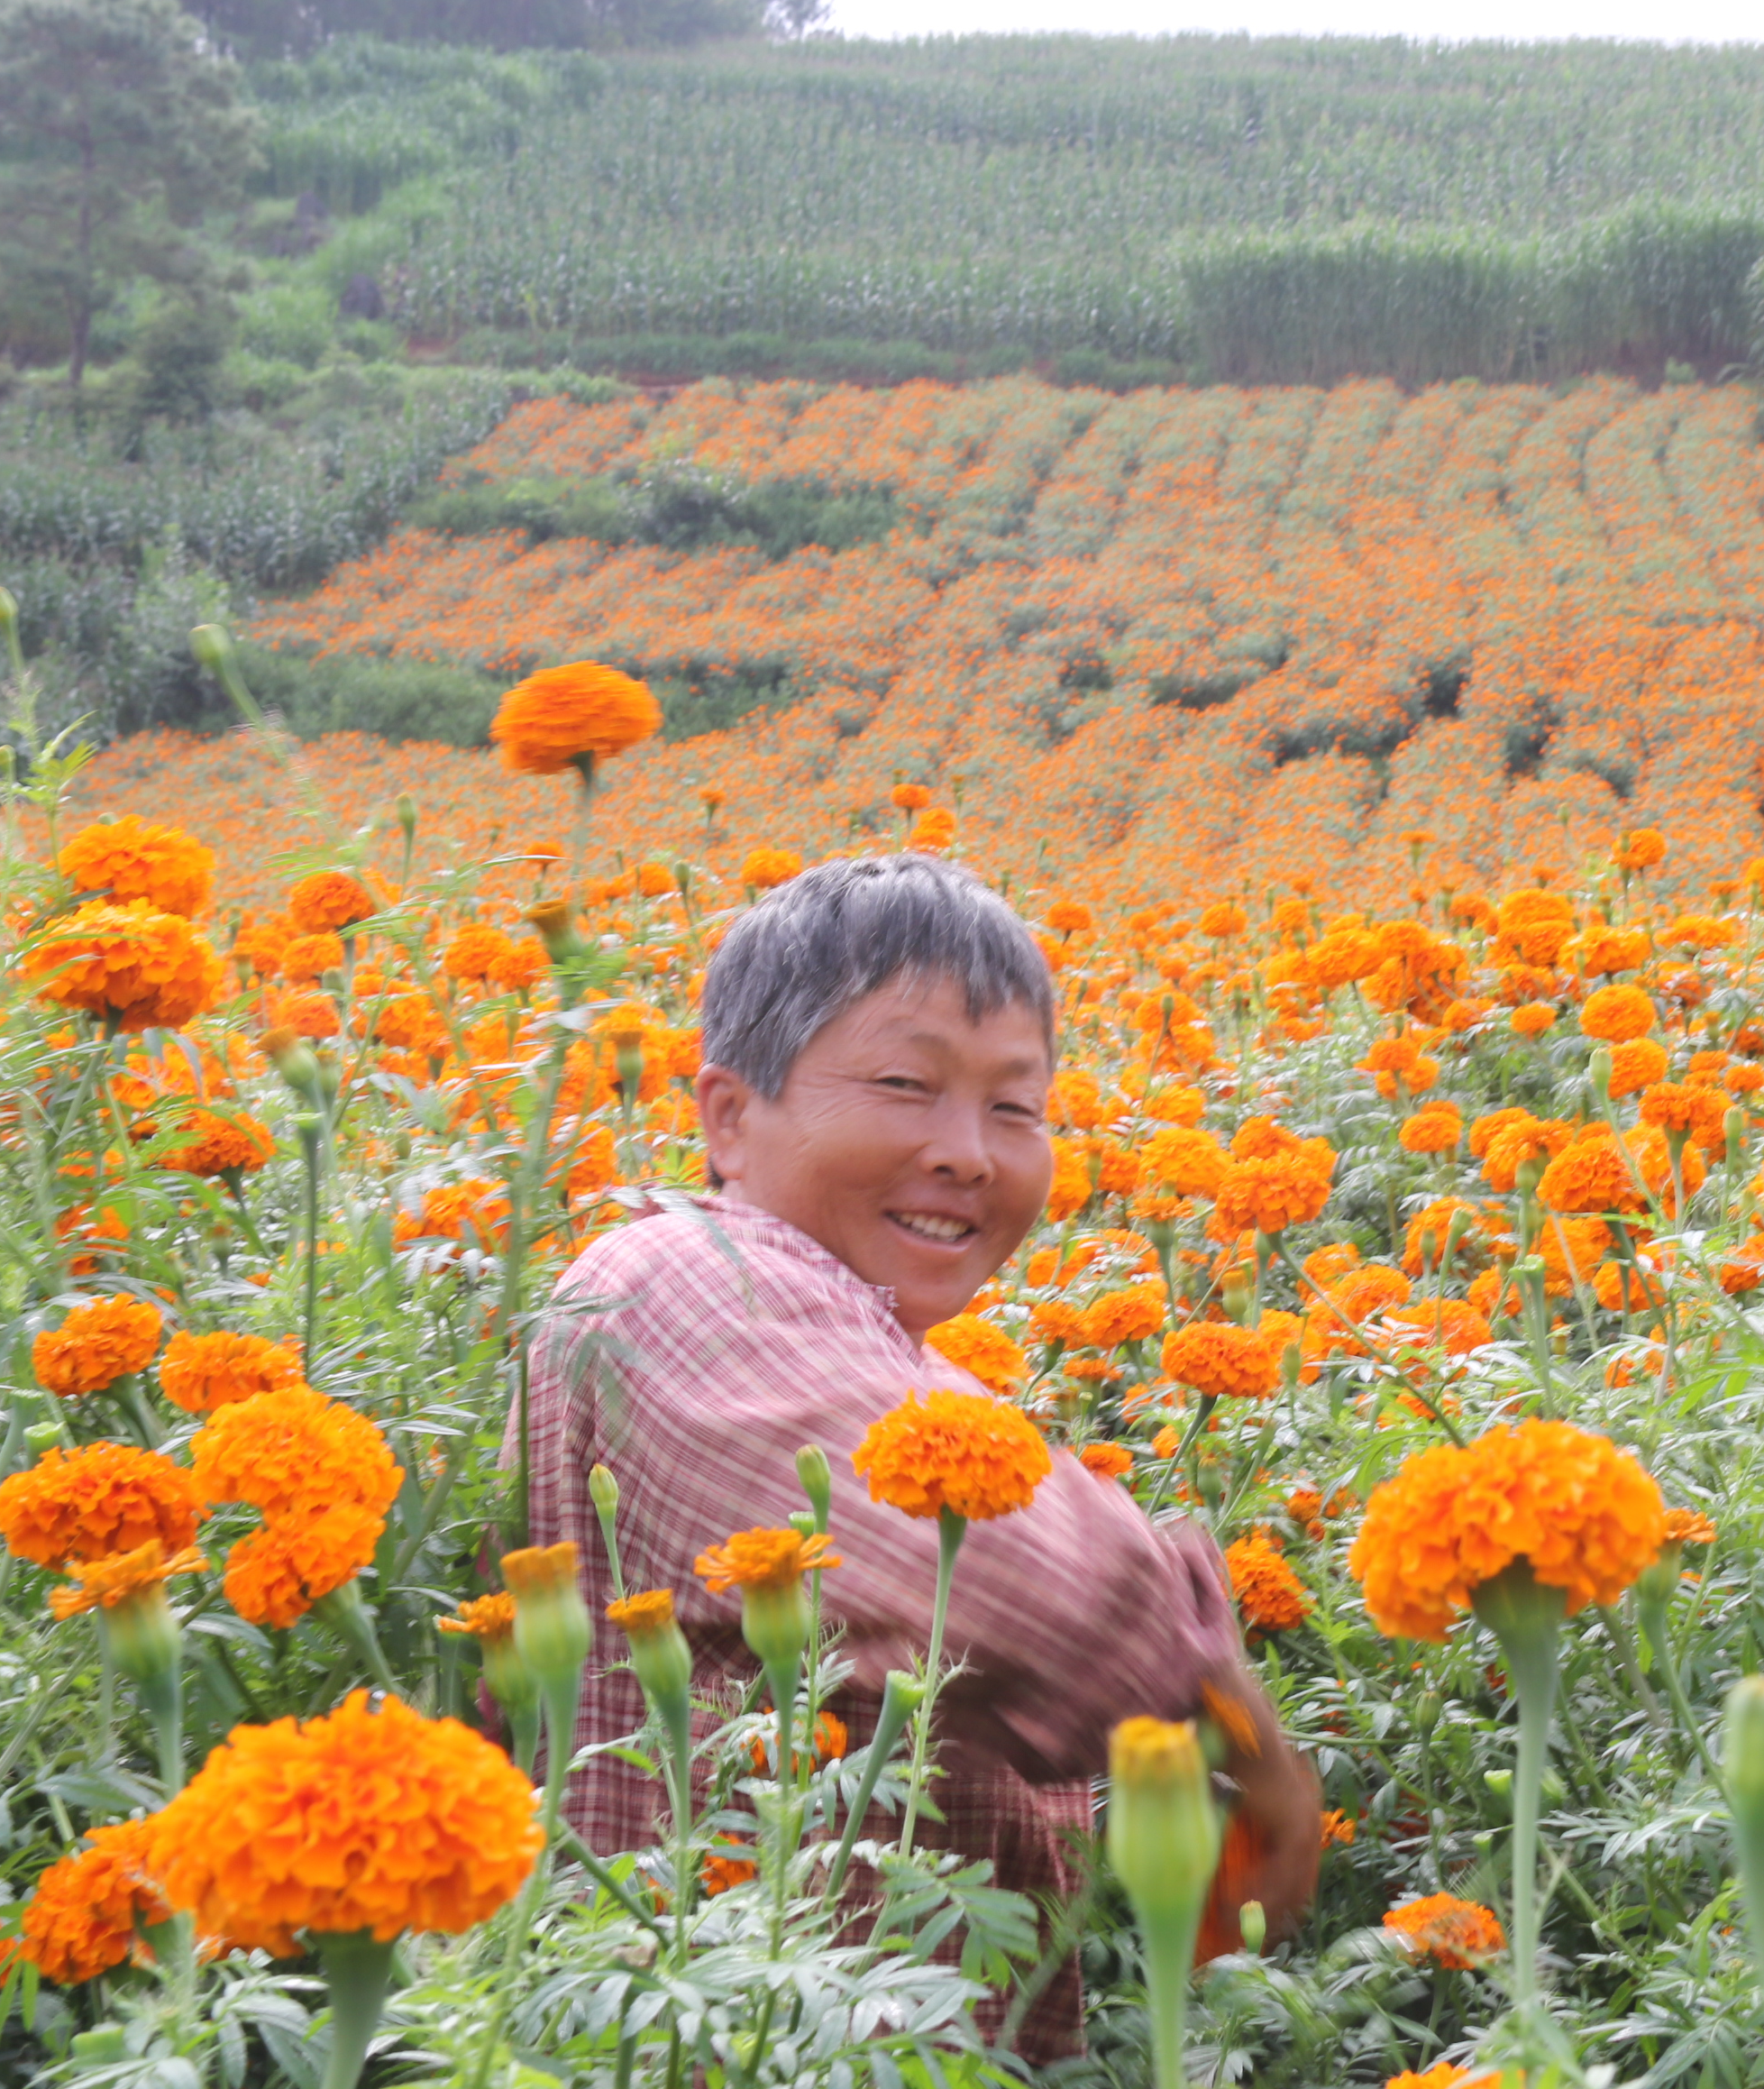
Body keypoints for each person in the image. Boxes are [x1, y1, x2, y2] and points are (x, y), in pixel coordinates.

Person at [523, 853, 1320, 2061]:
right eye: (907, 1084)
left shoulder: (864, 1336)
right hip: (739, 2042)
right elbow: (1036, 1596)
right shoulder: (676, 1283)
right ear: (729, 1118)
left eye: (1016, 1108)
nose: (970, 1153)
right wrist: (1234, 1730)